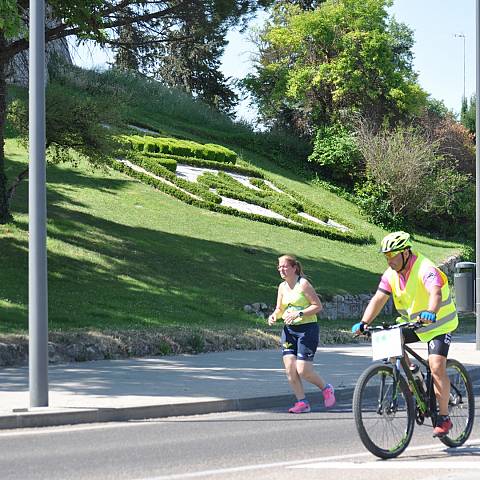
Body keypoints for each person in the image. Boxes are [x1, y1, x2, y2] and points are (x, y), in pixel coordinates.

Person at [352, 231, 458, 437]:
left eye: (392, 255)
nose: (389, 260)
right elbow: (378, 299)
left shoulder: (426, 268)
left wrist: (431, 312)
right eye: (386, 256)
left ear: (406, 253)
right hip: (414, 323)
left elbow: (435, 292)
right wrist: (364, 322)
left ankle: (444, 418)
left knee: (436, 367)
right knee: (389, 341)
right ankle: (412, 375)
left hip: (438, 324)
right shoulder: (390, 275)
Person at [268, 254, 336, 413]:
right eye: (279, 267)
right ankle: (302, 402)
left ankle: (326, 388)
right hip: (289, 331)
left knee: (303, 370)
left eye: (284, 266)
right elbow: (280, 309)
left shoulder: (303, 284)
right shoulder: (282, 287)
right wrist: (274, 316)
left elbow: (317, 306)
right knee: (290, 368)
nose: (281, 269)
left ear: (294, 268)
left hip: (307, 330)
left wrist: (299, 314)